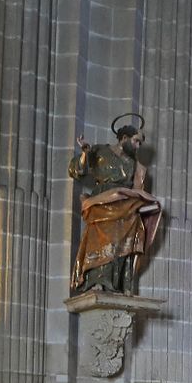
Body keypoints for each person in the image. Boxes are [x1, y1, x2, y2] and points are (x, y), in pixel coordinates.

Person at [68, 117, 163, 294]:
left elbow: (137, 189)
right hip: (101, 202)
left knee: (122, 242)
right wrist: (84, 153)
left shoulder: (136, 165)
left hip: (125, 206)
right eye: (136, 141)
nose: (137, 147)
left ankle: (118, 283)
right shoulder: (100, 151)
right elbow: (76, 171)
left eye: (140, 144)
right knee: (100, 240)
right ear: (124, 138)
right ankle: (97, 281)